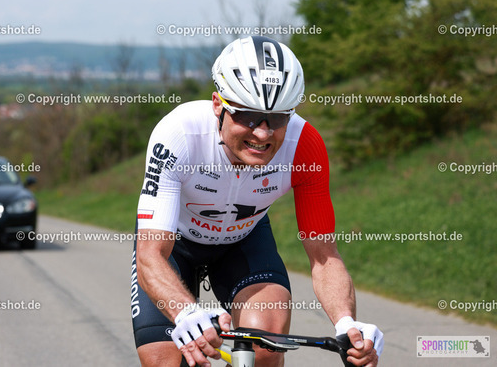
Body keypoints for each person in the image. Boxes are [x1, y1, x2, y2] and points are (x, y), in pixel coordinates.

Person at [131, 36, 383, 366]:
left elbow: (324, 257)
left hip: (244, 240)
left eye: (278, 119)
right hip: (174, 246)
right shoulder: (179, 134)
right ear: (218, 105)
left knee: (266, 344)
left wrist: (346, 323)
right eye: (248, 116)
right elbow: (150, 255)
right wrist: (185, 312)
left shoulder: (304, 146)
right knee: (164, 360)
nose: (263, 133)